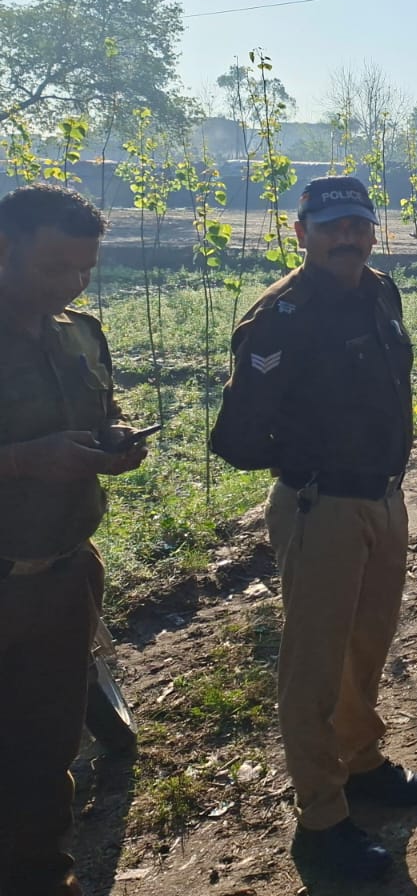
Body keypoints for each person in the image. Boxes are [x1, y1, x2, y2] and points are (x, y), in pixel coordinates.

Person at [210, 177, 417, 881]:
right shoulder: (282, 317)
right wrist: (312, 458)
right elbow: (238, 436)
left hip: (383, 499)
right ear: (301, 232)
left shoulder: (381, 293)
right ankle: (322, 821)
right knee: (313, 666)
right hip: (321, 505)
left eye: (359, 225)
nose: (348, 237)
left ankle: (361, 763)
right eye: (332, 226)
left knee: (367, 645)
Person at [0, 185, 150, 896]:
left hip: (63, 578)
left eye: (85, 268)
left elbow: (102, 411)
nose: (73, 283)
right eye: (56, 267)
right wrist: (23, 461)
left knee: (46, 748)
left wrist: (114, 440)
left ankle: (43, 875)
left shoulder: (80, 333)